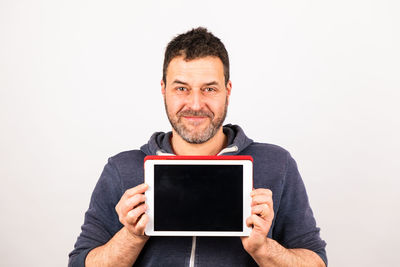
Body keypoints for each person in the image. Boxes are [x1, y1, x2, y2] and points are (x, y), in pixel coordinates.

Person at [69, 27, 327, 267]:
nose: (195, 104)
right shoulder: (121, 168)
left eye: (209, 89)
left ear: (228, 90)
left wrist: (263, 248)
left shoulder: (277, 164)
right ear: (164, 89)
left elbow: (316, 262)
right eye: (182, 88)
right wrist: (131, 236)